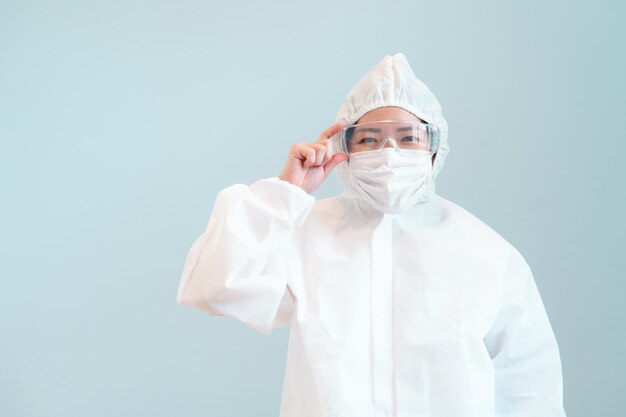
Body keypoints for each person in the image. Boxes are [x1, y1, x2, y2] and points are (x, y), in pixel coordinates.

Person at [176, 53, 567, 417]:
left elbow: (529, 388)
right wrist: (287, 192)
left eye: (408, 137)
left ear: (434, 147)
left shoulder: (486, 254)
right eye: (369, 139)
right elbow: (215, 287)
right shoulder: (306, 235)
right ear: (343, 148)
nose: (390, 151)